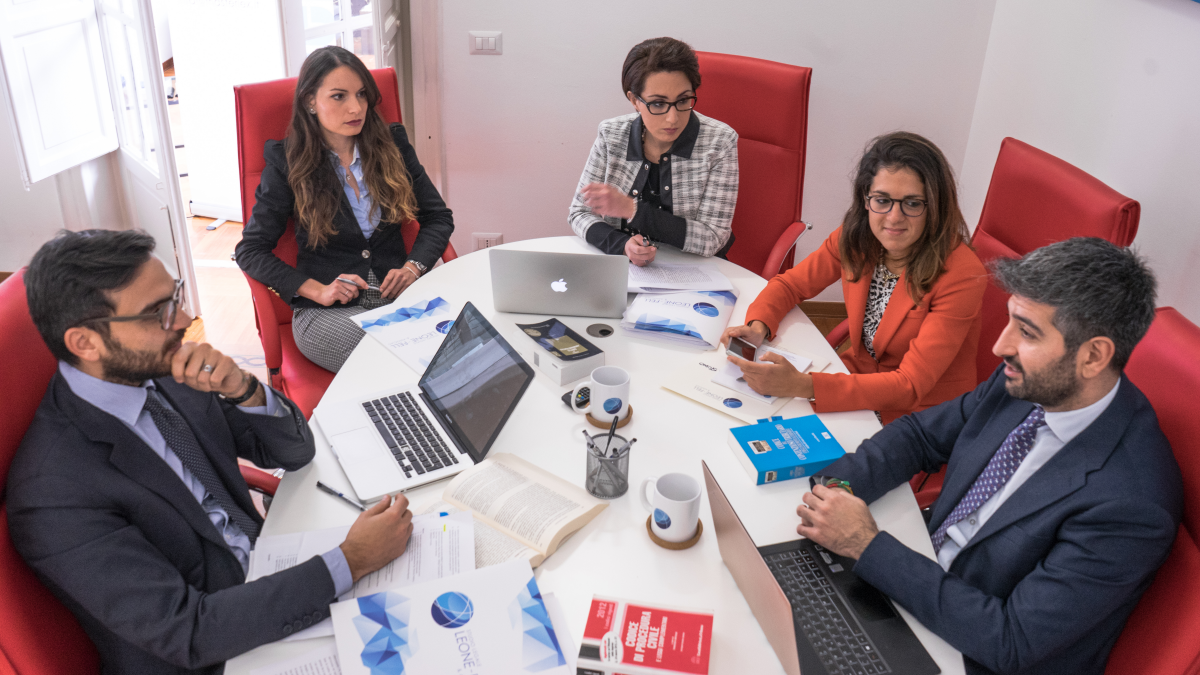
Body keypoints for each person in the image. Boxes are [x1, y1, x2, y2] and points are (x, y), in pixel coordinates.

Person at [8, 230, 415, 674]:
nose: (185, 319)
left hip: (273, 569)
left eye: (175, 296)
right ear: (85, 343)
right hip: (219, 651)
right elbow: (189, 632)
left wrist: (244, 389)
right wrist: (351, 561)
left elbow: (296, 452)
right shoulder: (53, 493)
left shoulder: (165, 371)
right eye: (158, 312)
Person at [796, 238, 1181, 675]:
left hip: (969, 653)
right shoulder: (1029, 380)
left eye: (1027, 332)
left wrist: (865, 545)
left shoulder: (1131, 504)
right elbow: (920, 436)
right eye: (1011, 320)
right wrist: (834, 491)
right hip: (915, 581)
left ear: (1093, 356)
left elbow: (1012, 641)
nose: (1001, 346)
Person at [723, 132, 986, 423]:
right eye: (882, 200)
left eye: (912, 203)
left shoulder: (961, 273)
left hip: (922, 415)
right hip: (856, 383)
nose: (894, 217)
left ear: (935, 207)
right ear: (866, 199)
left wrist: (803, 386)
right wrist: (757, 326)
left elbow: (910, 385)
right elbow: (790, 285)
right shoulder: (857, 239)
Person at [236, 46, 454, 372]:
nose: (356, 108)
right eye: (339, 96)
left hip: (400, 298)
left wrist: (413, 267)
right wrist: (317, 290)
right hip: (329, 312)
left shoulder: (392, 144)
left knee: (458, 345)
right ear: (310, 101)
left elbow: (438, 217)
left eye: (362, 94)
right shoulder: (287, 161)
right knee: (395, 361)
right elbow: (250, 250)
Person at [569, 37, 738, 267]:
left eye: (683, 100)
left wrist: (632, 209)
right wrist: (622, 245)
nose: (673, 118)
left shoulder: (720, 142)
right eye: (658, 103)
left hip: (695, 270)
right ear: (634, 100)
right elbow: (579, 213)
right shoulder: (611, 134)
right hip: (626, 268)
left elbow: (713, 238)